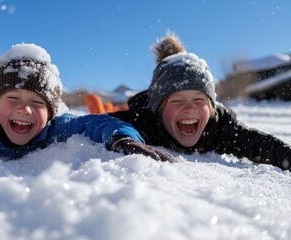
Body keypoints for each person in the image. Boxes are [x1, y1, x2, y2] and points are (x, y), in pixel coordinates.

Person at [0, 43, 175, 161]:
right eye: (13, 98)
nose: (24, 108)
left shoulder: (56, 128)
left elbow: (97, 123)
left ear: (50, 112)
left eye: (37, 103)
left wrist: (122, 136)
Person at [110, 32, 291, 171]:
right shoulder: (146, 120)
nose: (189, 107)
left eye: (198, 99)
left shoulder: (219, 128)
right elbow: (92, 123)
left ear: (212, 107)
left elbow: (257, 143)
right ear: (159, 108)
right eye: (177, 101)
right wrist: (123, 135)